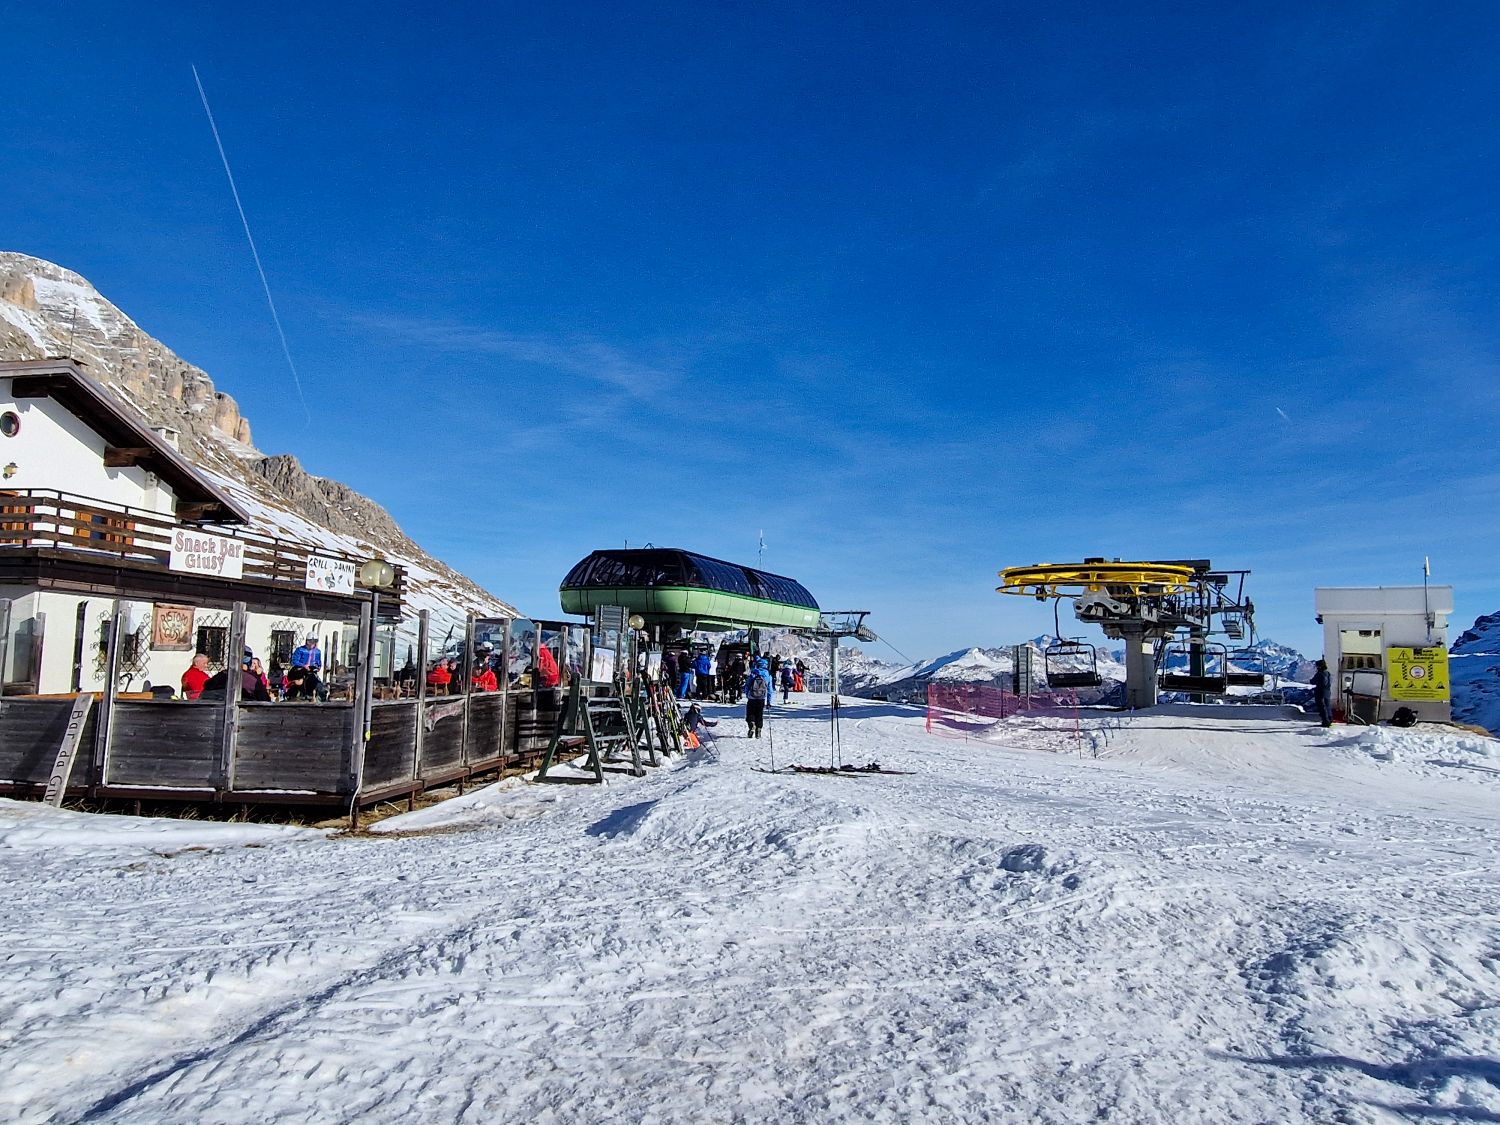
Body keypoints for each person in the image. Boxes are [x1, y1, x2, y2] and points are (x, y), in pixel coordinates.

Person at [290, 636, 326, 701]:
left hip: (312, 672)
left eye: (314, 642)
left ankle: (320, 698)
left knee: (318, 684)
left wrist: (317, 667)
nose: (312, 644)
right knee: (300, 683)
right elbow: (294, 661)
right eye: (310, 641)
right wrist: (303, 665)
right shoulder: (300, 650)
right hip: (300, 671)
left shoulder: (317, 652)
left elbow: (318, 662)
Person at [744, 657, 772, 738]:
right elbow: (770, 690)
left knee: (750, 713)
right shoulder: (768, 675)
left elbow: (747, 685)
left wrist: (747, 695)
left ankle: (752, 725)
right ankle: (758, 730)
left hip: (752, 697)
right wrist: (769, 702)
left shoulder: (753, 673)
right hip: (761, 698)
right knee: (759, 714)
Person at [1312, 658, 1333, 727]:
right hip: (1328, 691)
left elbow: (1313, 681)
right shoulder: (1328, 673)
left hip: (1320, 692)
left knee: (1322, 707)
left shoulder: (1319, 674)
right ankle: (1330, 719)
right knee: (1327, 706)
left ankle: (1325, 721)